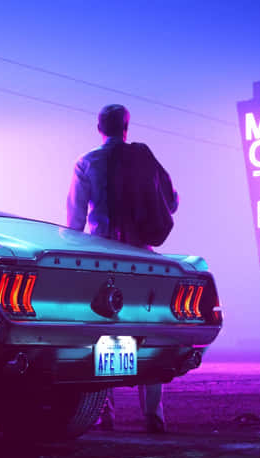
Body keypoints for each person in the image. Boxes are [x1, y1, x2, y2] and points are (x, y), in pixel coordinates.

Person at [67, 104, 178, 434]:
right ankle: (153, 415)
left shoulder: (86, 163)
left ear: (98, 126)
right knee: (148, 328)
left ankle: (105, 413)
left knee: (102, 330)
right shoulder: (145, 159)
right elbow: (170, 202)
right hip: (142, 255)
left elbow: (74, 220)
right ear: (127, 126)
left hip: (101, 255)